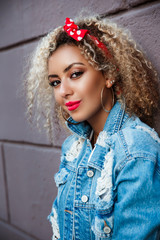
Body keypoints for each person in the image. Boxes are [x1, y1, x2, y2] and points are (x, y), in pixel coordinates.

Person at [25, 15, 160, 240]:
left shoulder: (135, 150)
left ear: (108, 74)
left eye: (75, 74)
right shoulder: (74, 148)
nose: (63, 91)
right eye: (55, 82)